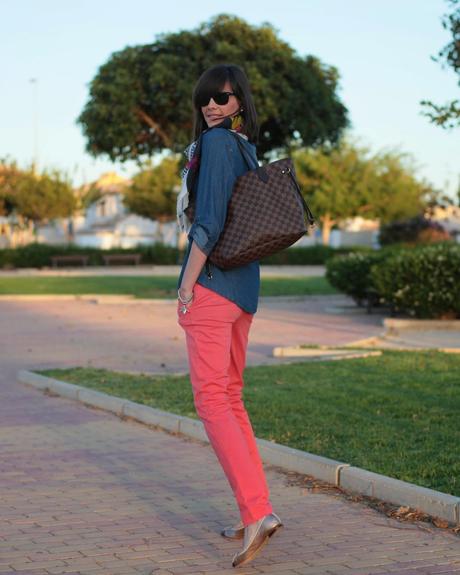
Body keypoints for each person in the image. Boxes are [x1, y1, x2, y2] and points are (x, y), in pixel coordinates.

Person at [176, 63, 283, 568]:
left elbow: (209, 223)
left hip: (214, 287)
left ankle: (257, 512)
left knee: (211, 402)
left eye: (223, 97)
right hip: (243, 291)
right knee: (231, 399)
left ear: (240, 100)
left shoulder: (218, 146)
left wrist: (184, 286)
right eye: (207, 99)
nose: (213, 105)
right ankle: (255, 511)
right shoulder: (243, 148)